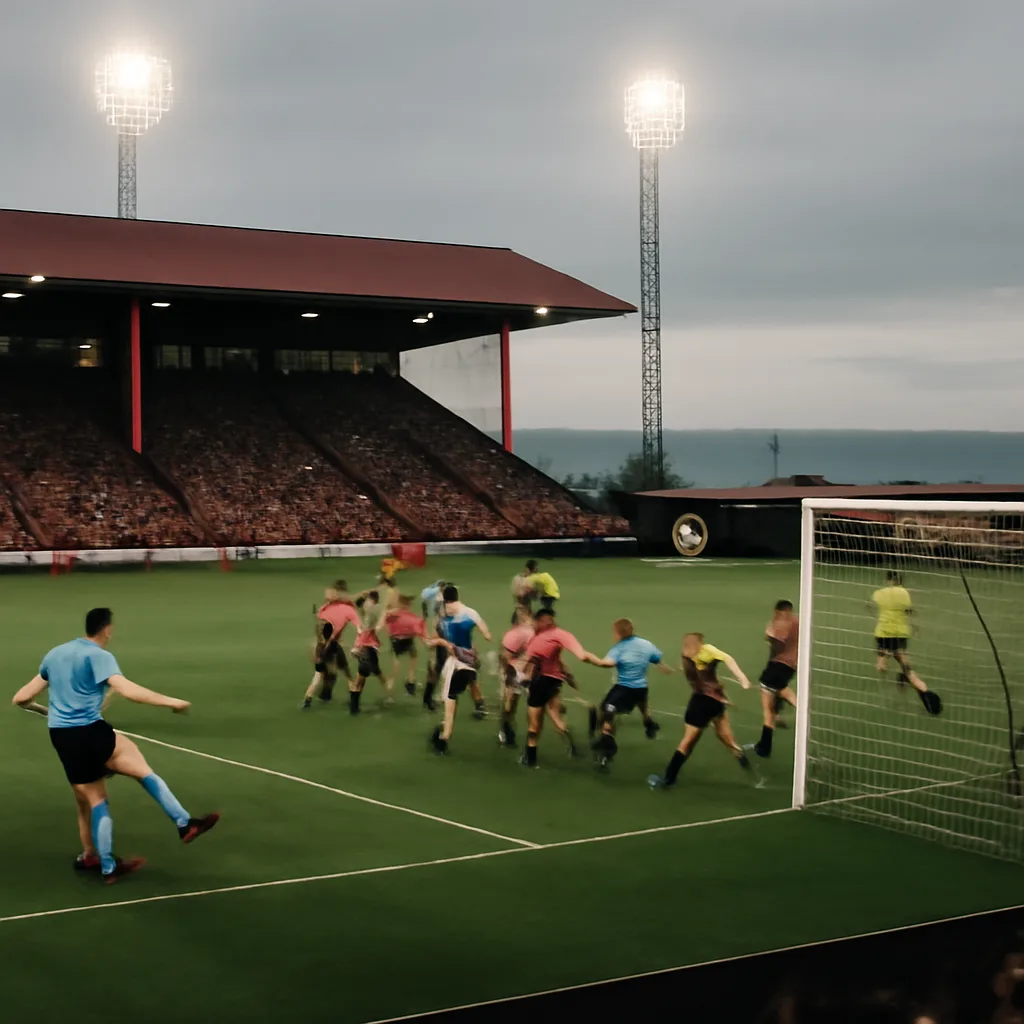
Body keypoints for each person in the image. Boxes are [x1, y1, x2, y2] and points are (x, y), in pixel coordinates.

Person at [11, 607, 219, 883]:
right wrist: (172, 702)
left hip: (62, 738)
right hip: (90, 731)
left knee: (95, 801)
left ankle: (106, 865)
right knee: (140, 768)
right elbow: (128, 690)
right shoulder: (99, 656)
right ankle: (183, 823)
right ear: (107, 628)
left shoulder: (55, 654)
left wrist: (48, 712)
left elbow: (21, 698)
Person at [648, 633, 753, 789]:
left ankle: (668, 778)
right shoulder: (704, 652)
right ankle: (747, 765)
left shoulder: (691, 655)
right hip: (717, 702)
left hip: (701, 703)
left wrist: (742, 679)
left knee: (687, 743)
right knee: (728, 739)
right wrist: (739, 682)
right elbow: (723, 663)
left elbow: (723, 663)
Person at [520, 608, 603, 768]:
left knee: (534, 723)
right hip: (553, 682)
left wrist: (522, 679)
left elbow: (530, 664)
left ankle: (530, 758)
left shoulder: (542, 638)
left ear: (540, 621)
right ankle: (572, 746)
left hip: (539, 683)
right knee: (556, 717)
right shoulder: (552, 636)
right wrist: (569, 676)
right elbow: (562, 660)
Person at [590, 618, 673, 772]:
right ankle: (650, 725)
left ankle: (607, 753)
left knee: (607, 712)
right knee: (643, 707)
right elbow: (656, 658)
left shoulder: (620, 648)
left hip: (624, 688)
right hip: (641, 687)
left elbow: (606, 664)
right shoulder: (646, 644)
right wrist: (664, 667)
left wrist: (589, 658)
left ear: (618, 633)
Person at [430, 585, 492, 754]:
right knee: (452, 698)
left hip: (454, 665)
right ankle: (443, 730)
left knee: (449, 704)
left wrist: (443, 642)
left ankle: (443, 740)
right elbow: (488, 635)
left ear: (446, 600)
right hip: (469, 665)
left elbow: (431, 641)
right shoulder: (471, 613)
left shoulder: (443, 618)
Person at [870, 571, 942, 715]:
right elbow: (908, 611)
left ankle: (901, 673)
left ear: (887, 580)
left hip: (884, 633)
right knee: (903, 662)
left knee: (881, 666)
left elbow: (871, 605)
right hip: (901, 633)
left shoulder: (879, 593)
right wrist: (913, 625)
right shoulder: (904, 593)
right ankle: (918, 685)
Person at [748, 600, 800, 758]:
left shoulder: (778, 623)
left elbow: (777, 644)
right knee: (776, 691)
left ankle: (764, 748)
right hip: (793, 666)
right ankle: (764, 746)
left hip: (777, 665)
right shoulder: (798, 620)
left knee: (768, 707)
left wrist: (769, 635)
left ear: (778, 610)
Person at [302, 581, 359, 709]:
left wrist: (315, 652)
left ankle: (308, 699)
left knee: (318, 677)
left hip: (320, 650)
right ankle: (354, 700)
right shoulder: (341, 611)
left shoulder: (323, 619)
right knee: (347, 674)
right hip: (332, 648)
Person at [498, 607, 535, 747]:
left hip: (531, 674)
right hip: (515, 674)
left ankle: (529, 736)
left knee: (533, 708)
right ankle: (506, 732)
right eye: (527, 616)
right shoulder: (515, 635)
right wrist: (509, 676)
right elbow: (505, 657)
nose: (531, 619)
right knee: (509, 707)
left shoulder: (532, 632)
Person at [348, 591, 388, 714]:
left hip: (367, 648)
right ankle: (354, 706)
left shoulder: (370, 614)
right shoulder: (368, 613)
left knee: (364, 675)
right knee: (362, 676)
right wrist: (357, 647)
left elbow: (368, 632)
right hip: (366, 648)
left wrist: (357, 647)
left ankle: (354, 704)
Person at [385, 594, 427, 696]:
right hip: (405, 640)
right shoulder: (405, 615)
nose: (410, 604)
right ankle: (409, 683)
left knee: (402, 661)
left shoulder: (395, 613)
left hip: (397, 640)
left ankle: (397, 683)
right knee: (412, 657)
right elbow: (417, 627)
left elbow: (387, 622)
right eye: (408, 603)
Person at [420, 580, 451, 711]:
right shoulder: (439, 600)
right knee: (435, 667)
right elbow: (441, 618)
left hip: (436, 635)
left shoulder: (430, 596)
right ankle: (428, 698)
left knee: (437, 667)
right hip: (436, 636)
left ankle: (429, 697)